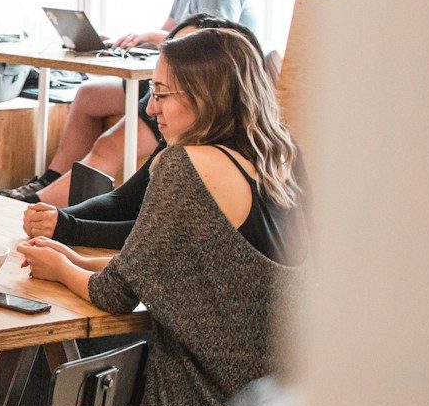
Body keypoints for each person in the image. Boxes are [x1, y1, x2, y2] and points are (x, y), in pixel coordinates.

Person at [15, 28, 301, 406]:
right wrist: (73, 259)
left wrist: (60, 268)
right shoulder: (272, 160)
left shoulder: (186, 165)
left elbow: (114, 295)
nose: (152, 108)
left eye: (162, 94)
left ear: (206, 96)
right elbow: (179, 271)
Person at [1, 0, 260, 203]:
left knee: (109, 145)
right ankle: (49, 182)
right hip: (176, 80)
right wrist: (135, 41)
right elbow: (171, 31)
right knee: (88, 96)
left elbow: (211, 50)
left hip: (199, 92)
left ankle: (39, 206)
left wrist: (153, 37)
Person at [21, 15, 266, 248]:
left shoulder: (201, 161)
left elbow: (150, 242)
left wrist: (65, 228)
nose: (150, 108)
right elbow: (126, 202)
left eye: (162, 92)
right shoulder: (195, 139)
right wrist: (56, 217)